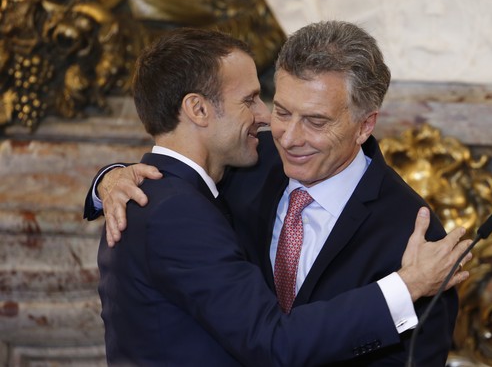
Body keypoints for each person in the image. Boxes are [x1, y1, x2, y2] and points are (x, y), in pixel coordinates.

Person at [85, 22, 471, 366]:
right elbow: (179, 170)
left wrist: (410, 284)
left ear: (364, 125)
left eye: (316, 121)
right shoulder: (246, 160)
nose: (287, 136)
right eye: (282, 111)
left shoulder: (415, 240)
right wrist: (110, 179)